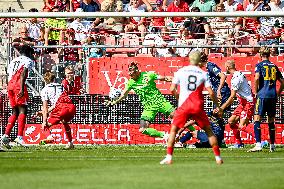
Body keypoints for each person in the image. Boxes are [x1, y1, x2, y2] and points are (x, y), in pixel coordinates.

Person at [160, 51, 223, 165]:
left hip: (184, 105)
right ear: (199, 60)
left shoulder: (180, 71)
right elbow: (211, 92)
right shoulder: (203, 73)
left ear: (189, 59)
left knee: (173, 130)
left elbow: (172, 89)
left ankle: (169, 157)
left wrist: (179, 97)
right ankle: (218, 158)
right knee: (209, 132)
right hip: (197, 105)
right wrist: (218, 106)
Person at [106, 62, 174, 139]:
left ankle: (187, 134)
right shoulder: (130, 83)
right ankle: (166, 136)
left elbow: (166, 78)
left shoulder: (148, 75)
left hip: (161, 102)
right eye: (129, 73)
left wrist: (179, 80)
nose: (130, 75)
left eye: (132, 73)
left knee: (178, 117)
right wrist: (114, 102)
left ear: (137, 71)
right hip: (149, 107)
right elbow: (123, 95)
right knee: (142, 129)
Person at [248, 47, 284, 152]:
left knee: (257, 119)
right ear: (269, 55)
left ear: (260, 55)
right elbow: (282, 81)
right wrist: (278, 92)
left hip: (262, 95)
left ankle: (258, 144)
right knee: (271, 120)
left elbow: (257, 77)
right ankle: (272, 145)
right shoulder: (274, 66)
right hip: (272, 96)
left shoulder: (259, 65)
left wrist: (256, 91)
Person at [214, 60, 255, 148]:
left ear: (228, 67)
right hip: (243, 103)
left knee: (242, 125)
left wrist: (221, 108)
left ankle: (262, 141)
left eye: (225, 67)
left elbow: (232, 97)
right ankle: (239, 143)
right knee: (231, 121)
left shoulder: (235, 79)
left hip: (248, 103)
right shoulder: (238, 74)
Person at [1, 45, 35, 148]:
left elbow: (9, 74)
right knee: (23, 110)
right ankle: (19, 137)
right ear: (28, 52)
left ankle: (5, 136)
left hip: (10, 85)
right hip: (18, 85)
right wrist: (21, 88)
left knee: (15, 111)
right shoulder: (28, 60)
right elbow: (23, 73)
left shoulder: (13, 61)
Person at [36, 72, 76, 149]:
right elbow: (57, 103)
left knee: (45, 125)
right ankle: (70, 143)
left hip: (60, 108)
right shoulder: (60, 86)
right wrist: (44, 112)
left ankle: (49, 137)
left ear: (44, 80)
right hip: (71, 107)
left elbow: (45, 108)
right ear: (54, 79)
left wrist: (44, 120)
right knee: (64, 122)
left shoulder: (45, 90)